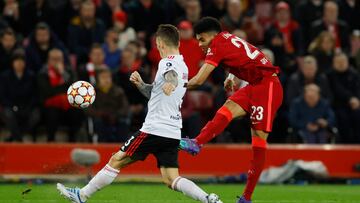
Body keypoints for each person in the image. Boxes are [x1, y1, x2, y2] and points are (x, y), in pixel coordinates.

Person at [57, 24, 223, 203]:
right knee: (171, 178)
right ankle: (208, 199)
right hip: (173, 131)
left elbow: (171, 76)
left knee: (117, 159)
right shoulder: (183, 65)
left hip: (154, 129)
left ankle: (82, 195)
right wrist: (142, 85)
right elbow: (157, 92)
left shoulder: (167, 62)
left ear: (160, 43)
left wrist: (171, 83)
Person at [179, 17, 283, 203]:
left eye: (201, 39)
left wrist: (176, 86)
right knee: (226, 109)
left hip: (268, 87)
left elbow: (199, 80)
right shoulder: (227, 37)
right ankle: (197, 142)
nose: (200, 45)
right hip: (255, 84)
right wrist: (231, 75)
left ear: (210, 36)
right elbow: (245, 57)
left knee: (258, 144)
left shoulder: (216, 45)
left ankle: (246, 198)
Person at [37, 48, 82, 142]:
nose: (57, 62)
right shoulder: (43, 73)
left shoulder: (68, 71)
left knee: (77, 112)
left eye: (59, 59)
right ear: (48, 60)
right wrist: (64, 89)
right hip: (50, 105)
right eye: (54, 59)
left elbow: (74, 88)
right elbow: (47, 91)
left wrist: (63, 74)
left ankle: (72, 139)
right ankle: (50, 140)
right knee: (52, 113)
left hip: (67, 104)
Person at [0, 51, 40, 142]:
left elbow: (35, 95)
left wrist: (27, 107)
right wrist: (13, 107)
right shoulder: (4, 76)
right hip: (10, 106)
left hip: (27, 106)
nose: (19, 64)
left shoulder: (31, 76)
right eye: (16, 61)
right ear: (12, 63)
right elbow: (2, 96)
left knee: (36, 115)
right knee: (7, 114)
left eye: (21, 61)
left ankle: (16, 136)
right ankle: (19, 139)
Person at [86, 68, 129, 142]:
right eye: (103, 77)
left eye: (108, 77)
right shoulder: (92, 93)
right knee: (98, 123)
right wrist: (102, 114)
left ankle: (122, 148)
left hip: (116, 118)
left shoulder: (119, 91)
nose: (106, 80)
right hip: (100, 118)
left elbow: (125, 108)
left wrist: (116, 115)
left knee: (123, 123)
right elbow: (88, 109)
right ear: (97, 79)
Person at [327, 52, 360, 143]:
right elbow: (337, 90)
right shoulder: (330, 75)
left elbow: (357, 89)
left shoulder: (354, 74)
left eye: (343, 61)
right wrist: (351, 98)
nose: (341, 64)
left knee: (357, 116)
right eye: (338, 62)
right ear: (334, 63)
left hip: (354, 104)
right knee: (343, 119)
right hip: (338, 105)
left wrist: (357, 100)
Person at [67, 0, 106, 65]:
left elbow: (101, 43)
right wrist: (88, 52)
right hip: (80, 59)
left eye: (91, 10)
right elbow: (73, 46)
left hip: (95, 57)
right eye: (86, 10)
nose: (88, 13)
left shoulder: (99, 25)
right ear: (81, 11)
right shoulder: (74, 25)